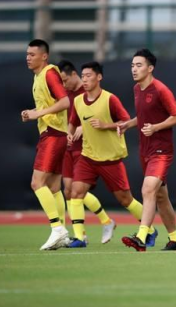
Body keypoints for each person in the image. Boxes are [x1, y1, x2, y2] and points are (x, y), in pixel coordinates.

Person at [67, 61, 144, 248]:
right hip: (88, 157)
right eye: (82, 76)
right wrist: (69, 134)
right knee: (75, 193)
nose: (85, 79)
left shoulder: (110, 99)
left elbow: (126, 122)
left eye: (89, 76)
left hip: (110, 158)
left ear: (99, 77)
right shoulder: (77, 101)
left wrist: (105, 125)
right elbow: (73, 121)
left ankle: (148, 227)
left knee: (125, 199)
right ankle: (79, 238)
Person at [119, 49, 176, 252]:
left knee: (147, 189)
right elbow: (145, 115)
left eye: (139, 65)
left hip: (161, 151)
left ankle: (142, 236)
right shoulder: (137, 89)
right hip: (145, 150)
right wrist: (128, 124)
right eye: (132, 65)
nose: (134, 69)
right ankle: (175, 240)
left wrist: (156, 128)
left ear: (150, 68)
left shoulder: (161, 89)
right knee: (160, 197)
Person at [57, 60, 116, 244]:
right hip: (68, 146)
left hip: (86, 148)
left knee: (77, 190)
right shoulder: (65, 93)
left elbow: (101, 112)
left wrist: (84, 127)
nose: (64, 84)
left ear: (74, 74)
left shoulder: (89, 91)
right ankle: (82, 235)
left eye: (65, 80)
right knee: (68, 191)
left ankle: (101, 224)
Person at [21, 39, 70, 250]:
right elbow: (49, 104)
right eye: (27, 54)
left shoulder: (49, 73)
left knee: (36, 183)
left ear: (44, 56)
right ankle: (64, 233)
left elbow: (65, 101)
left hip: (53, 134)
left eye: (32, 54)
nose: (28, 57)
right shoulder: (38, 77)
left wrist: (37, 113)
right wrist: (32, 113)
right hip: (54, 133)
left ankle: (57, 229)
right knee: (53, 187)